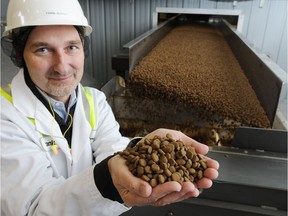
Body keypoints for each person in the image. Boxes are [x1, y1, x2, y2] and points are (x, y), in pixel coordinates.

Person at [0, 0, 219, 215]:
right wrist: (107, 181)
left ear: (83, 48)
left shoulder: (92, 100)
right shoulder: (5, 115)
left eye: (71, 47)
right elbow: (32, 209)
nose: (62, 65)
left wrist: (141, 147)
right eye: (43, 50)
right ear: (20, 55)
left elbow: (114, 152)